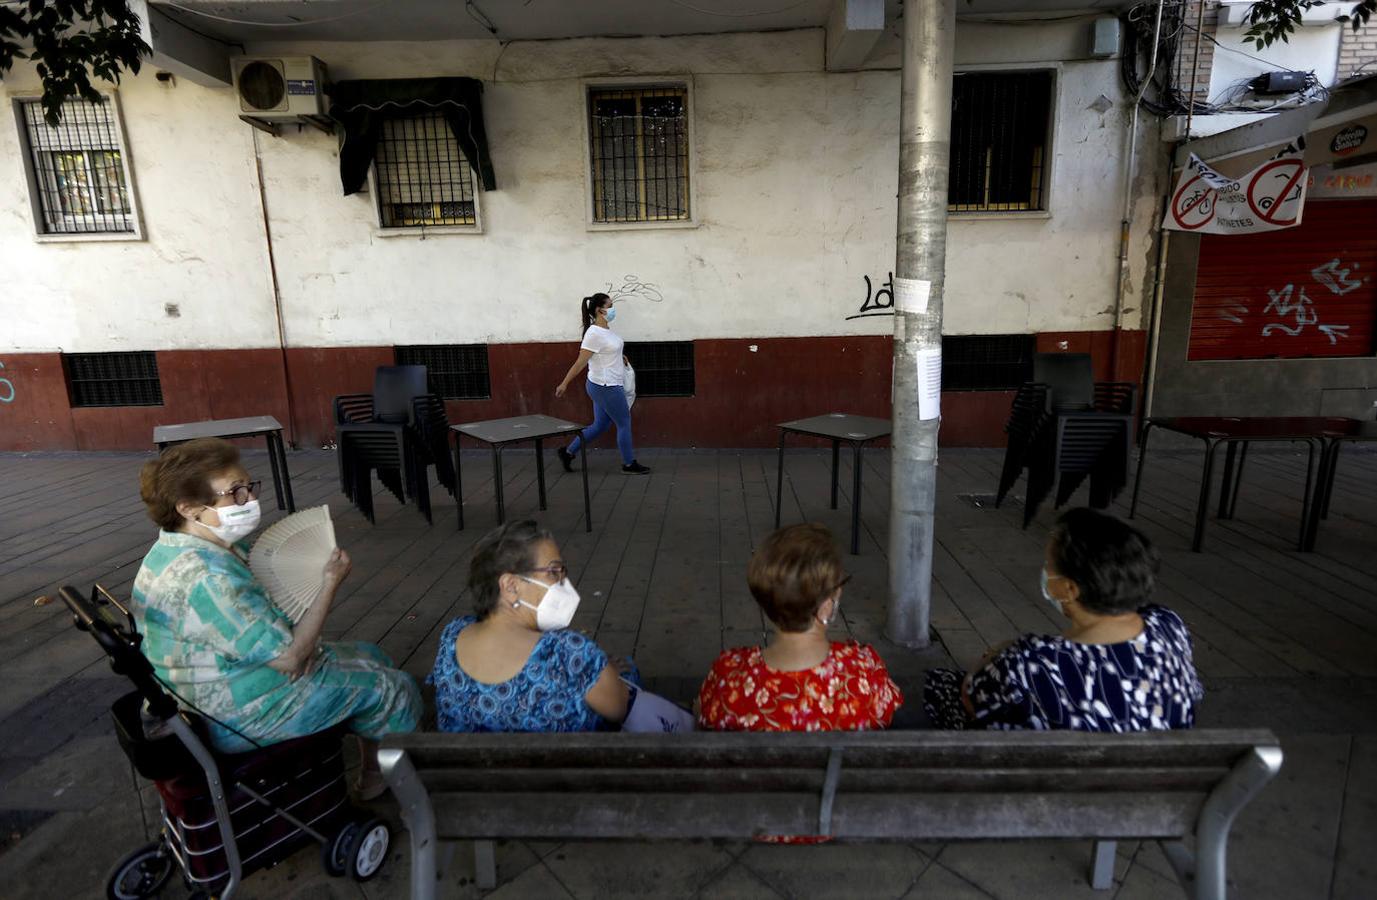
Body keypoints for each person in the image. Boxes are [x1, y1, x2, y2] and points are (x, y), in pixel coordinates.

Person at [131, 438, 420, 799]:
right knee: (391, 688)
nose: (250, 501)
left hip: (201, 689)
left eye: (249, 488)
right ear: (189, 508)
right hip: (226, 715)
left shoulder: (178, 547)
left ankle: (374, 769)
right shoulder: (208, 578)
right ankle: (409, 795)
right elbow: (291, 658)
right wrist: (329, 583)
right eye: (235, 493)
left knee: (373, 656)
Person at [924, 508, 1203, 732]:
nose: (1045, 572)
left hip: (1059, 789)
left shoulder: (1031, 663)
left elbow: (970, 700)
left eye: (1049, 566)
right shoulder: (1168, 625)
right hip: (1160, 781)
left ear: (1069, 589)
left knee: (943, 685)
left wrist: (992, 657)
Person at [429, 520, 632, 732]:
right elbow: (619, 708)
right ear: (511, 586)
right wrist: (603, 671)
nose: (563, 581)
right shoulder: (568, 653)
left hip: (460, 764)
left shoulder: (453, 635)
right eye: (553, 571)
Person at [698, 523, 902, 732]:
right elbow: (886, 716)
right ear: (825, 607)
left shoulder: (728, 675)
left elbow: (703, 715)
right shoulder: (863, 672)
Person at [555, 292, 650, 475]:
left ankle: (567, 453)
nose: (613, 309)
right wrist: (564, 383)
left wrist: (619, 357)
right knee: (624, 423)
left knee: (600, 425)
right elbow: (580, 362)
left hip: (604, 384)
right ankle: (629, 464)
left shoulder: (604, 331)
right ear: (600, 310)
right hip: (606, 386)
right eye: (610, 305)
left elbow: (605, 352)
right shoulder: (594, 334)